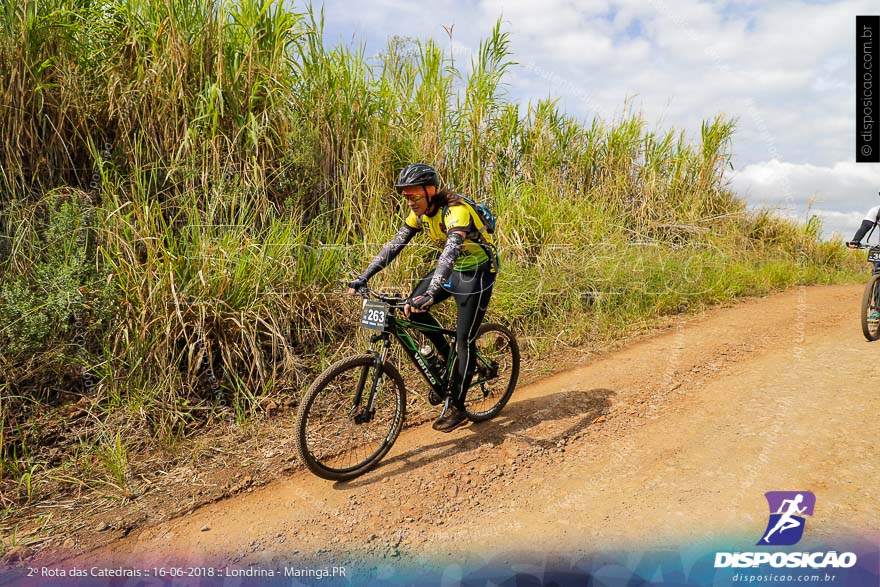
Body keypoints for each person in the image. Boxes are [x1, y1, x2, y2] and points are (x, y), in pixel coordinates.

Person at [347, 164, 498, 432]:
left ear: (431, 191)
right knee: (410, 309)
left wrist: (430, 293)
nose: (410, 201)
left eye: (414, 195)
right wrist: (364, 276)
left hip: (477, 273)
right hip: (453, 272)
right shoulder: (420, 215)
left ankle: (458, 407)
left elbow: (449, 254)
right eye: (406, 196)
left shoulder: (456, 212)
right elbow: (394, 246)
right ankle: (445, 357)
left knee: (465, 339)